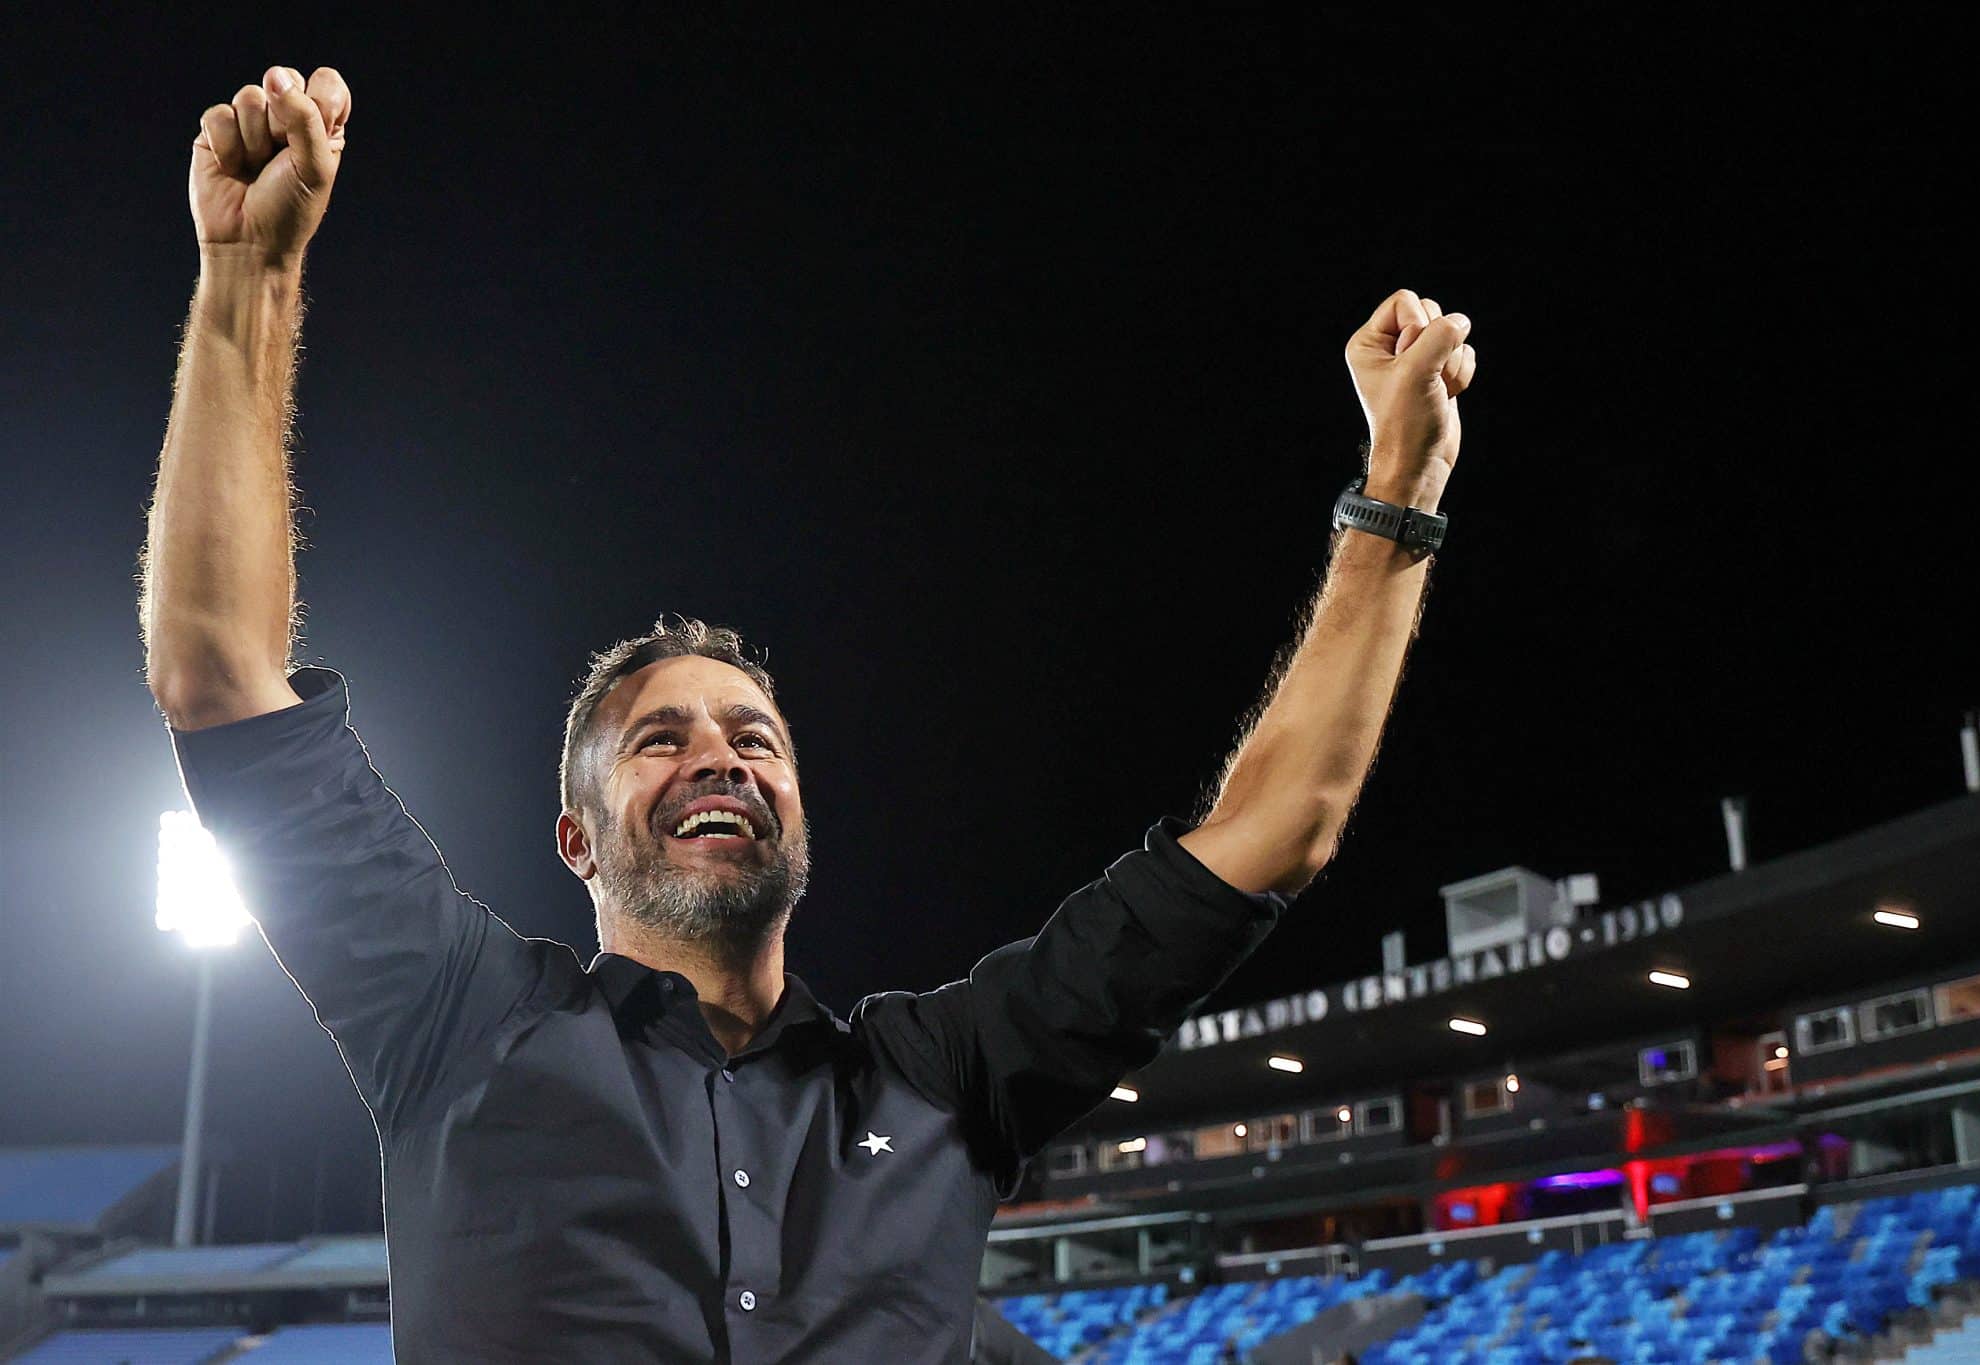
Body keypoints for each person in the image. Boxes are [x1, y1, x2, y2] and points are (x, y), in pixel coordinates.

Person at [139, 62, 1477, 1365]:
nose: (717, 752)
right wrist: (247, 283)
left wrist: (1397, 492)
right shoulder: (461, 1015)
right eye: (660, 738)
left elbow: (1274, 831)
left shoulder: (947, 1074)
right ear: (578, 839)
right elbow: (221, 677)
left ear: (800, 815)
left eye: (754, 737)